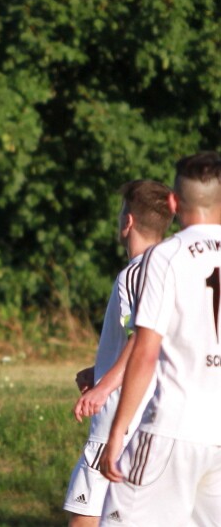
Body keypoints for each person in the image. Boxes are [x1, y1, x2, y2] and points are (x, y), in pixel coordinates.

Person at [98, 151, 221, 525]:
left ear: (174, 202)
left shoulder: (166, 256)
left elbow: (145, 351)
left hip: (173, 427)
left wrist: (117, 432)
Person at [62, 180, 173, 526]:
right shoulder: (169, 271)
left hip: (119, 423)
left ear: (128, 221)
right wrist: (100, 370)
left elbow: (139, 339)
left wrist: (103, 388)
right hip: (158, 425)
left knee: (84, 520)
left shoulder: (135, 275)